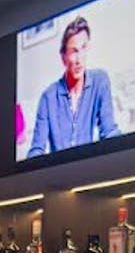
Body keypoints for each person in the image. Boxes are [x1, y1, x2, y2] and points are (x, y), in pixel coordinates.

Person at [24, 16, 121, 157]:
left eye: (83, 48)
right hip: (58, 169)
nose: (79, 59)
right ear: (63, 57)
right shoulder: (48, 98)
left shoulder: (100, 81)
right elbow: (37, 149)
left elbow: (109, 131)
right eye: (74, 51)